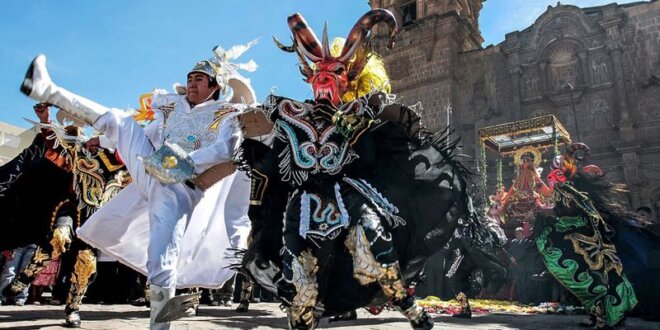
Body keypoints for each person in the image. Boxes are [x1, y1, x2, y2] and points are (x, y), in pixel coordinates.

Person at [240, 9, 480, 330]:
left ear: (348, 77)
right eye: (318, 73)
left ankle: (409, 308)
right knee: (299, 286)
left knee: (380, 254)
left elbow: (401, 122)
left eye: (335, 73)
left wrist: (382, 116)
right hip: (304, 203)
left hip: (350, 196)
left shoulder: (359, 112)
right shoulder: (290, 111)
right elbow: (259, 142)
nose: (325, 79)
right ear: (310, 77)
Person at [20, 43, 256, 329]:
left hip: (182, 187)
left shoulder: (227, 112)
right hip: (154, 169)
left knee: (163, 257)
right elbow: (144, 133)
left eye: (199, 80)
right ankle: (46, 89)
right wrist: (105, 140)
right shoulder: (171, 107)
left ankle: (160, 326)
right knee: (120, 121)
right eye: (190, 78)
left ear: (214, 86)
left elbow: (229, 150)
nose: (192, 83)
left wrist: (187, 163)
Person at [507, 227, 534, 304]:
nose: (517, 235)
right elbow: (509, 252)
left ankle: (525, 300)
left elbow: (525, 253)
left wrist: (517, 260)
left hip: (522, 266)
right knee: (518, 284)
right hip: (515, 266)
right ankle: (520, 299)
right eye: (516, 233)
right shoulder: (513, 242)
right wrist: (512, 258)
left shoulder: (526, 242)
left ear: (522, 234)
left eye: (518, 233)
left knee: (524, 283)